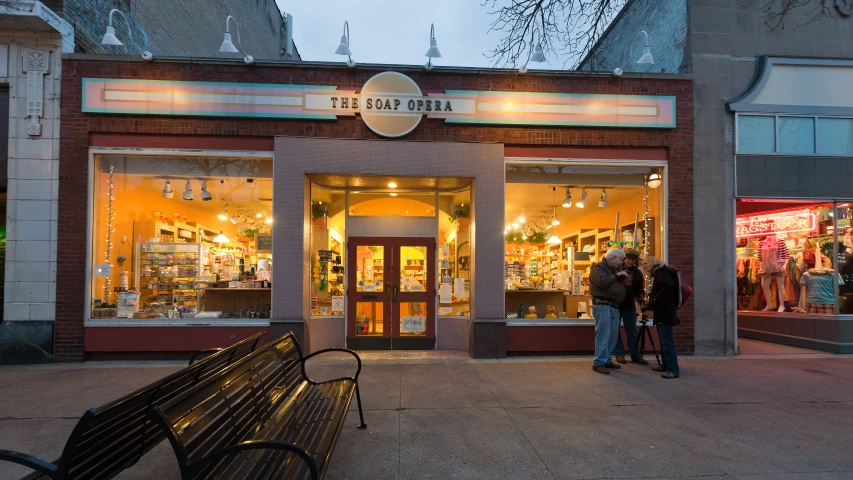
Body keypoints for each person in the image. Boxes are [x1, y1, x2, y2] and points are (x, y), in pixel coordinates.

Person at [589, 248, 629, 374]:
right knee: (603, 335)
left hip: (614, 306)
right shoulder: (598, 267)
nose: (621, 262)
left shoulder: (615, 269)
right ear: (612, 258)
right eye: (620, 259)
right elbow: (601, 281)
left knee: (612, 336)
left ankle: (606, 359)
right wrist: (618, 275)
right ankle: (599, 362)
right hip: (603, 305)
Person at [641, 256, 680, 379]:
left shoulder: (660, 273)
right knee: (664, 342)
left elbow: (667, 288)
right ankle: (665, 365)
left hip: (665, 313)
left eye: (646, 264)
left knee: (667, 342)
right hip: (664, 312)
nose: (644, 266)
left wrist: (654, 300)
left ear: (653, 263)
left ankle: (673, 369)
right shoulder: (662, 273)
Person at [613, 249, 648, 365]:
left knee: (632, 331)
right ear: (624, 259)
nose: (630, 261)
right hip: (616, 304)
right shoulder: (617, 269)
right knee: (615, 331)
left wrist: (642, 302)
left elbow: (639, 289)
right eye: (628, 259)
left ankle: (635, 355)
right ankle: (619, 354)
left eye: (633, 259)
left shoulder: (637, 273)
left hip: (629, 305)